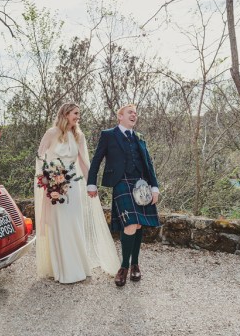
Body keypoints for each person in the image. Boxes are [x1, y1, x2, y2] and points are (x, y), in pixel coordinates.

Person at [35, 103, 119, 283]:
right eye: (75, 113)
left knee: (74, 223)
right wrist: (46, 177)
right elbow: (40, 156)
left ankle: (78, 266)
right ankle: (63, 270)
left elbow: (83, 163)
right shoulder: (51, 133)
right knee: (60, 225)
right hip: (54, 186)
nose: (78, 117)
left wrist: (91, 184)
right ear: (65, 114)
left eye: (79, 114)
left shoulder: (79, 136)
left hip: (72, 186)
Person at [87, 103, 160, 287]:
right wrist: (91, 183)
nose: (134, 115)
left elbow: (148, 164)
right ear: (120, 116)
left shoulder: (139, 138)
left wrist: (155, 187)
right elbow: (97, 160)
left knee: (138, 224)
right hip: (121, 183)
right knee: (130, 223)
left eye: (136, 113)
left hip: (141, 183)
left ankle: (135, 263)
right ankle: (124, 267)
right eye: (130, 112)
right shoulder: (108, 135)